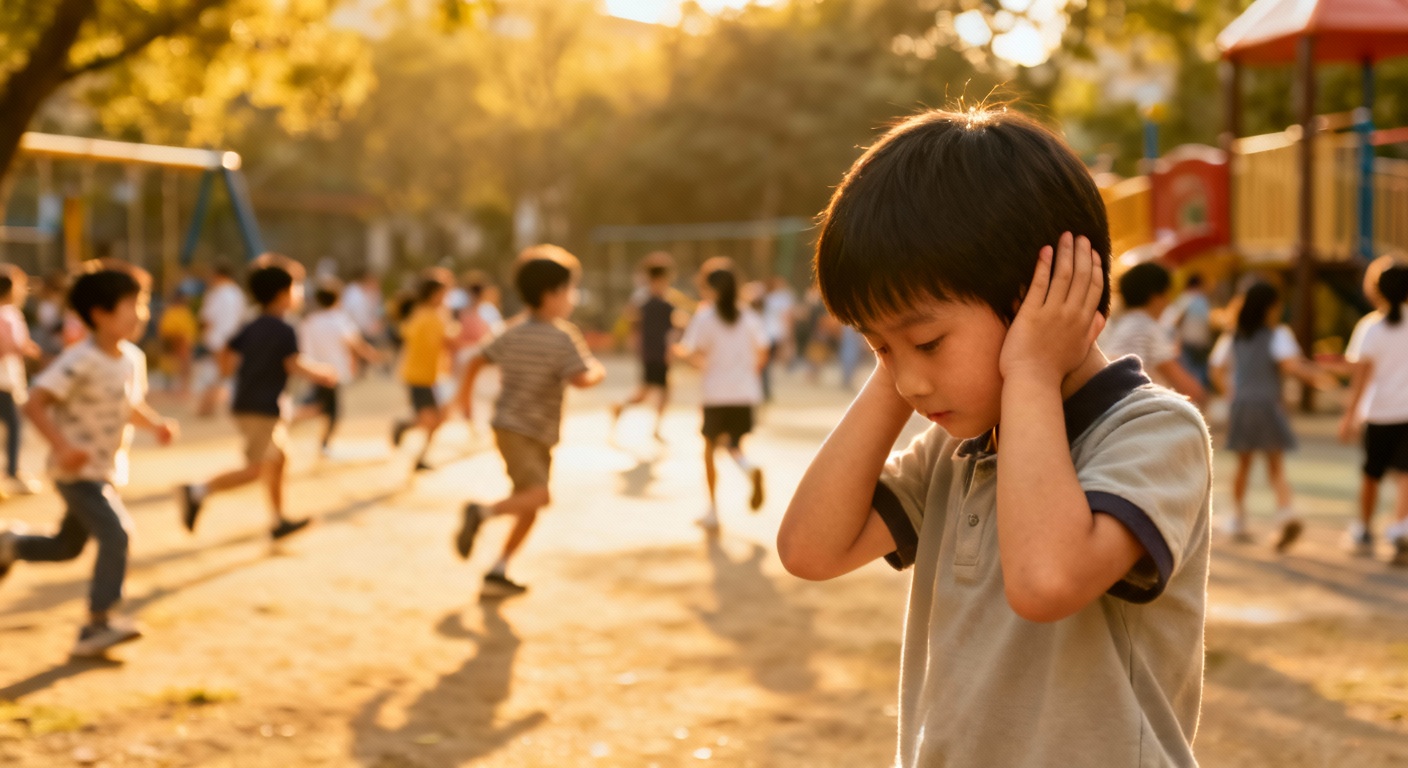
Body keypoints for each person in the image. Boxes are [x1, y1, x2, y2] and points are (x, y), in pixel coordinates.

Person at [777, 108, 1213, 768]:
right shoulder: (956, 453)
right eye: (878, 346)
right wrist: (896, 362)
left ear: (1044, 297)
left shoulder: (1152, 432)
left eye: (927, 341)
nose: (912, 382)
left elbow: (1045, 583)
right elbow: (810, 549)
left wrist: (1032, 369)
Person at [0, 262, 178, 657]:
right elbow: (34, 403)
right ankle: (97, 624)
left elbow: (130, 404)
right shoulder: (78, 359)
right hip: (76, 473)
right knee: (117, 533)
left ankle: (9, 545)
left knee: (67, 546)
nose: (143, 314)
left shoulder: (132, 358)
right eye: (133, 305)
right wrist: (62, 447)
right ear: (100, 314)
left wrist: (156, 425)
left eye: (144, 304)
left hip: (106, 468)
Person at [454, 245, 605, 599]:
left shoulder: (512, 330)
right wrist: (598, 370)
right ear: (552, 294)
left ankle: (498, 570)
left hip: (519, 429)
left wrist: (465, 399)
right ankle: (481, 511)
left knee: (529, 504)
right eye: (570, 290)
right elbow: (582, 379)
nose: (572, 298)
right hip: (524, 430)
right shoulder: (563, 336)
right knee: (538, 496)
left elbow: (477, 360)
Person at [180, 255, 337, 540]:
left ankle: (278, 521)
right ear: (282, 294)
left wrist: (229, 374)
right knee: (255, 469)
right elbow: (293, 363)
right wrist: (322, 374)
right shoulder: (284, 328)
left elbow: (228, 351)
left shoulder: (251, 325)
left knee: (279, 460)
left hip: (251, 403)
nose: (299, 294)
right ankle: (197, 490)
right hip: (261, 408)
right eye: (296, 287)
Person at [1210, 280, 1333, 550]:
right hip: (1267, 406)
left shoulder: (1234, 335)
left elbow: (1217, 368)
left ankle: (1238, 518)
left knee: (1243, 464)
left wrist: (1231, 393)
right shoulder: (1278, 335)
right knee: (1275, 465)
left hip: (1242, 406)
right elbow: (1291, 366)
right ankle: (1286, 512)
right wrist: (1319, 378)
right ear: (1269, 308)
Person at [675, 259, 768, 531]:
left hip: (715, 394)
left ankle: (713, 511)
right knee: (733, 445)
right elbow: (762, 353)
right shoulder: (749, 316)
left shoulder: (705, 316)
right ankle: (748, 468)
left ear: (710, 288)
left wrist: (680, 353)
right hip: (745, 393)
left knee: (709, 451)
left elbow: (692, 353)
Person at [1339, 259, 1408, 564]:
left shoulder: (1370, 327)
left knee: (1371, 474)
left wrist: (1349, 415)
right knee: (1405, 475)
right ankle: (1400, 529)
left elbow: (1361, 376)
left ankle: (1364, 530)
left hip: (1378, 413)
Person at [1102, 261, 1206, 406]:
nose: (1168, 301)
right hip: (1134, 408)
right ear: (1156, 295)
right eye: (1167, 293)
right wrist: (1202, 397)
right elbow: (1185, 386)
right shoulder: (1147, 328)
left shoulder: (1124, 325)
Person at [296, 278, 381, 454]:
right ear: (337, 299)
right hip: (333, 371)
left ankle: (314, 435)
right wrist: (372, 355)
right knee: (328, 410)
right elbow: (355, 344)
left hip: (312, 369)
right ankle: (320, 442)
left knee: (322, 405)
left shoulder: (309, 321)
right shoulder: (339, 320)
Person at [390, 268, 456, 472]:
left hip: (429, 375)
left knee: (438, 419)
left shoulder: (422, 313)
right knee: (432, 420)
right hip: (419, 376)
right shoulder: (430, 316)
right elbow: (448, 342)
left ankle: (420, 454)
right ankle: (405, 427)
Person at [610, 256, 680, 441]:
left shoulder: (663, 298)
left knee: (661, 391)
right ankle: (622, 408)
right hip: (654, 352)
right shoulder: (645, 300)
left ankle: (655, 427)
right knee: (647, 392)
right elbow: (635, 323)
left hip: (656, 351)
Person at [0, 266, 42, 495]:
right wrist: (25, 349)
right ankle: (13, 472)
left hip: (8, 379)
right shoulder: (8, 314)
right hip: (4, 381)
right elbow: (11, 345)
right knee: (14, 426)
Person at [195, 263, 248, 416]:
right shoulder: (238, 294)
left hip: (216, 340)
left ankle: (207, 407)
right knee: (224, 375)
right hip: (234, 340)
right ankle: (209, 407)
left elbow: (206, 319)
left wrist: (202, 335)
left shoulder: (216, 293)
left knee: (218, 374)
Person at [1163, 272, 1214, 389]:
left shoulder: (1198, 299)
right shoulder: (1188, 298)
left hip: (1198, 343)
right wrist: (1175, 340)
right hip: (1189, 343)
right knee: (1194, 374)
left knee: (1198, 373)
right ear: (1199, 284)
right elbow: (1175, 321)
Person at [156, 285, 198, 397]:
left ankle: (184, 388)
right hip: (174, 341)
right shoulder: (172, 311)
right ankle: (171, 388)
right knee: (172, 365)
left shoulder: (184, 311)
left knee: (185, 366)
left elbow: (191, 329)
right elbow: (165, 329)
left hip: (184, 342)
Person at [759, 276, 794, 401]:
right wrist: (789, 336)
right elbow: (787, 317)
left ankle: (764, 390)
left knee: (765, 364)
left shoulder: (767, 297)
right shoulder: (784, 298)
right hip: (776, 333)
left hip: (765, 333)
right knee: (768, 364)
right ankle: (765, 391)